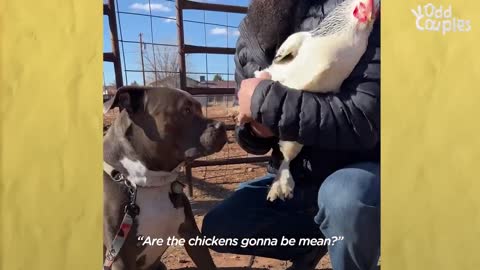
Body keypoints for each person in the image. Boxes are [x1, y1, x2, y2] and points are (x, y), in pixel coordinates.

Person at [202, 0, 380, 269]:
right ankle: (312, 245)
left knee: (345, 198)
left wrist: (264, 103)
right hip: (298, 177)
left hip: (356, 172)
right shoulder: (254, 30)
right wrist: (257, 129)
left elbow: (362, 119)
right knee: (220, 225)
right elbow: (249, 133)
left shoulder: (370, 21)